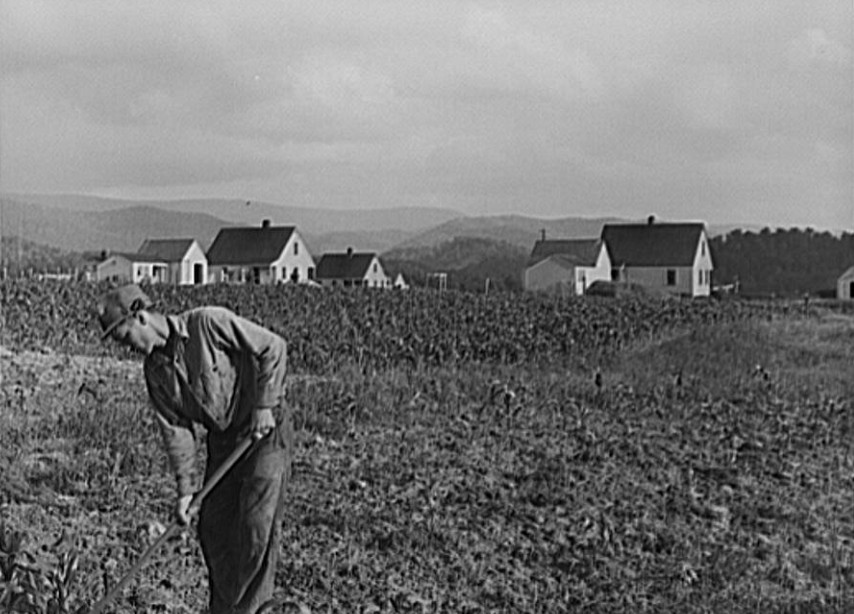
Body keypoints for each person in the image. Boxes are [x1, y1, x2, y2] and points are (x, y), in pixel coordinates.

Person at [97, 283, 293, 614]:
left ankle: (252, 609)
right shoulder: (156, 372)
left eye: (125, 337)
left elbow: (274, 347)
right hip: (224, 439)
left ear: (141, 316)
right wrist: (185, 492)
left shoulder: (208, 324)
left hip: (265, 432)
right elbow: (176, 431)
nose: (126, 348)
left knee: (256, 524)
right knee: (213, 527)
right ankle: (223, 607)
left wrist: (264, 405)